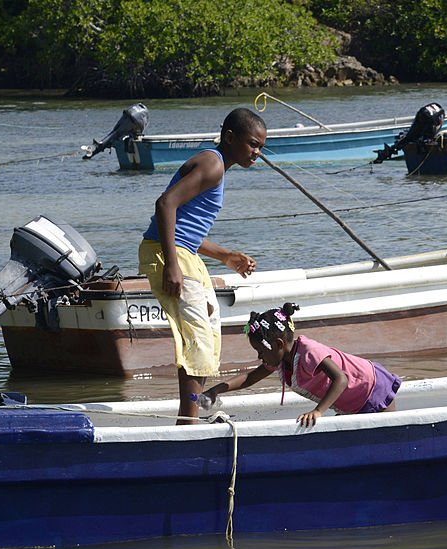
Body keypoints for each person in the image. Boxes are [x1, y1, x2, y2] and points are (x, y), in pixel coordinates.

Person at [138, 107, 267, 424]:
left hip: (183, 253)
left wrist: (226, 256)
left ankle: (190, 414)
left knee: (207, 327)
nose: (256, 153)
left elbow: (185, 228)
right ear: (229, 137)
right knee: (198, 337)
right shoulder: (213, 164)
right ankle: (189, 419)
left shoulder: (217, 166)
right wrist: (172, 265)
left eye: (261, 147)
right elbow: (165, 204)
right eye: (252, 144)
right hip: (170, 254)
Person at [200, 303, 402, 426]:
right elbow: (250, 378)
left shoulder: (308, 352)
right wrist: (214, 391)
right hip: (352, 403)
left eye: (261, 352)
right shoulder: (281, 360)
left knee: (387, 442)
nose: (261, 358)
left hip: (373, 390)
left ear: (278, 344)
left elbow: (341, 379)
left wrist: (318, 411)